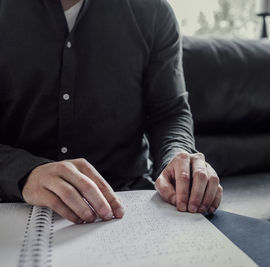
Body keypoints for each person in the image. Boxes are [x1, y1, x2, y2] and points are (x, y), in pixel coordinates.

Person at [0, 0, 222, 224]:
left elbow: (169, 113)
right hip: (15, 202)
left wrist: (177, 157)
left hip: (125, 202)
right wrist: (25, 173)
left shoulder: (154, 11)